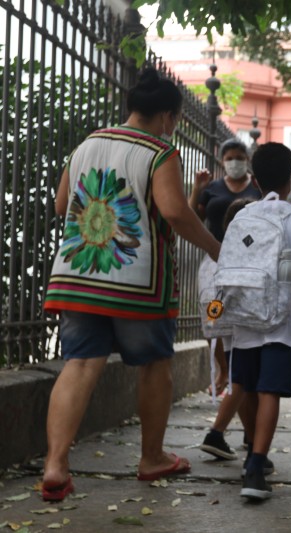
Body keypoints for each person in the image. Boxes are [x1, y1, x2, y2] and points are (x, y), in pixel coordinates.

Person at [41, 68, 221, 501]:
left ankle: (55, 465)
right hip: (136, 282)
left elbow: (62, 204)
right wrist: (217, 248)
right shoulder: (160, 151)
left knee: (80, 363)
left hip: (79, 275)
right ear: (167, 115)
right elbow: (175, 213)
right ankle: (152, 457)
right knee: (154, 364)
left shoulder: (88, 144)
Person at [231, 142, 291, 500]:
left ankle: (252, 452)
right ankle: (256, 465)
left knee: (245, 383)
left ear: (254, 179)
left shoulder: (243, 216)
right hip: (281, 320)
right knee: (270, 390)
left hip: (244, 318)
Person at [191, 138, 261, 463]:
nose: (235, 162)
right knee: (238, 367)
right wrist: (196, 188)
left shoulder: (257, 188)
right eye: (229, 158)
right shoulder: (212, 190)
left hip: (243, 284)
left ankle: (250, 435)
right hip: (222, 278)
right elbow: (190, 218)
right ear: (222, 161)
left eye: (239, 157)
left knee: (241, 364)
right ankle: (218, 431)